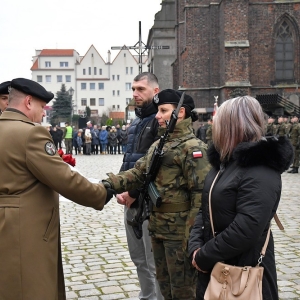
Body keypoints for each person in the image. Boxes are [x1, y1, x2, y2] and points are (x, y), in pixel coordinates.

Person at [0, 78, 114, 300]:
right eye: (42, 107)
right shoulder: (30, 133)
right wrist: (102, 192)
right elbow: (64, 179)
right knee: (31, 288)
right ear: (29, 102)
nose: (43, 114)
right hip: (25, 229)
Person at [103, 89, 210, 299]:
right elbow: (137, 173)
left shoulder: (194, 149)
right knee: (164, 288)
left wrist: (192, 239)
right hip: (158, 230)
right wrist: (107, 184)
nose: (158, 116)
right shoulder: (160, 144)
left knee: (183, 292)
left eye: (163, 111)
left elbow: (200, 199)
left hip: (180, 236)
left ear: (180, 113)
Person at [188, 96, 293, 300]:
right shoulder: (224, 164)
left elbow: (246, 228)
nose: (214, 128)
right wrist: (195, 247)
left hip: (244, 272)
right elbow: (205, 209)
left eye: (219, 122)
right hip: (216, 267)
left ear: (233, 126)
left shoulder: (261, 169)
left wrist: (204, 255)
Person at [115, 72, 163, 300]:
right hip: (131, 201)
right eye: (133, 89)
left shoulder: (160, 121)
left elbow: (156, 166)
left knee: (153, 261)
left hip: (149, 203)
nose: (135, 94)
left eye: (141, 89)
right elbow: (130, 160)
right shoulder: (135, 122)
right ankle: (147, 296)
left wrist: (133, 192)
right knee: (139, 259)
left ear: (155, 92)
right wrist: (119, 188)